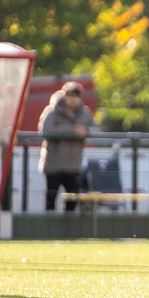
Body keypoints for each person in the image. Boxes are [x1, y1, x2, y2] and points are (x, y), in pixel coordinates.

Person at [38, 81, 101, 212]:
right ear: (63, 95)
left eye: (76, 95)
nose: (73, 99)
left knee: (72, 201)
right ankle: (49, 231)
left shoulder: (85, 113)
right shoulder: (52, 111)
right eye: (70, 95)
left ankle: (67, 230)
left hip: (73, 166)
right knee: (50, 201)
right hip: (53, 165)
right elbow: (45, 130)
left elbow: (97, 129)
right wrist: (72, 130)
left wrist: (86, 131)